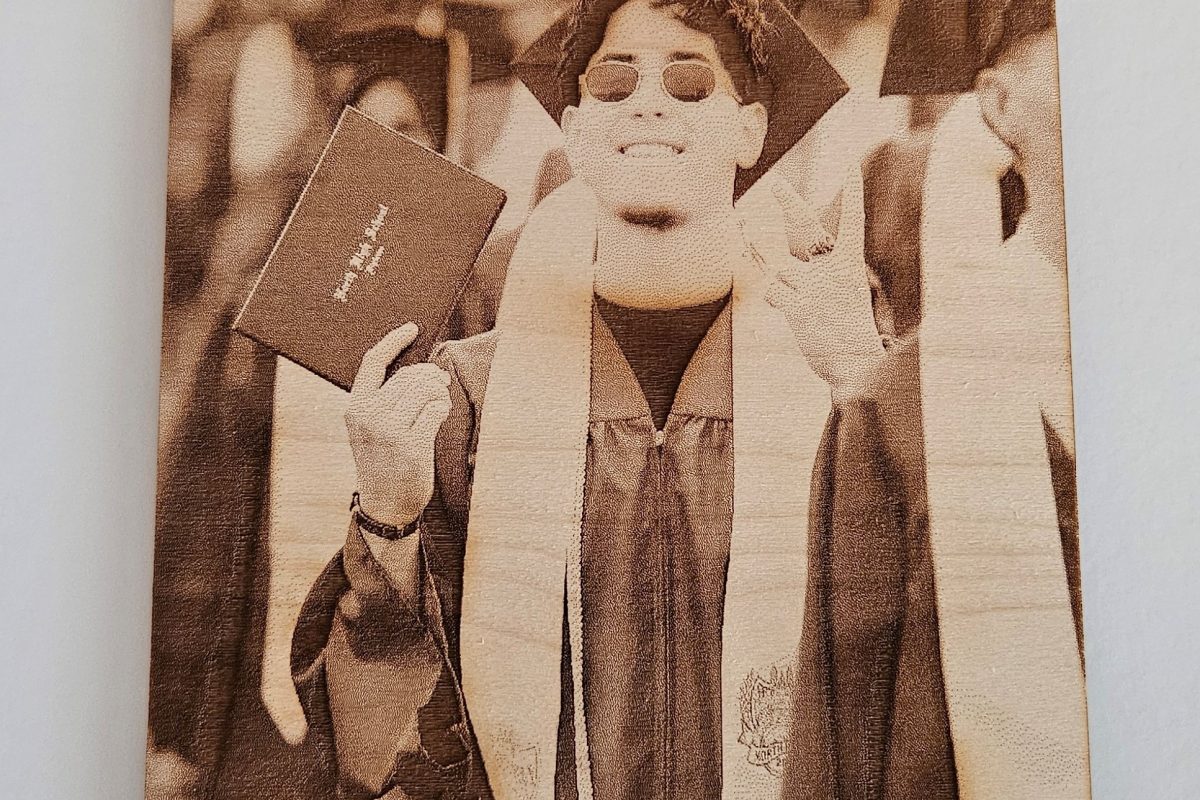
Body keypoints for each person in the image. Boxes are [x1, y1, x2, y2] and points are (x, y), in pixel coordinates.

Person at [290, 2, 1089, 799]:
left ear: (750, 128)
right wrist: (388, 526)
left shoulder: (839, 372)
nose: (647, 101)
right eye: (612, 83)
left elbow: (945, 693)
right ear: (572, 128)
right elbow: (391, 742)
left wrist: (861, 383)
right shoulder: (470, 399)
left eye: (688, 80)